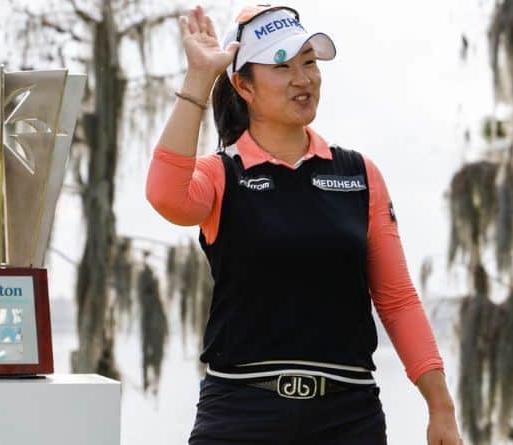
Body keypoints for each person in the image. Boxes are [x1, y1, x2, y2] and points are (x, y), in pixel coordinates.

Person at [147, 4, 463, 444]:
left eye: (310, 63)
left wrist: (440, 406)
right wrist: (199, 78)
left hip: (347, 416)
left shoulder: (360, 174)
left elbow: (397, 300)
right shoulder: (223, 173)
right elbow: (166, 196)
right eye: (282, 66)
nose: (303, 78)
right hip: (241, 412)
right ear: (244, 86)